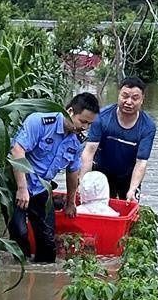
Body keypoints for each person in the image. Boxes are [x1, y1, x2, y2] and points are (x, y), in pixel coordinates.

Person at [8, 92, 100, 263]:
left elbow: (73, 171)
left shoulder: (77, 140)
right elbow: (17, 150)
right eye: (83, 121)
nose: (85, 127)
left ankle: (39, 278)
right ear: (70, 111)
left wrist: (70, 202)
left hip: (43, 188)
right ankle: (21, 268)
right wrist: (21, 188)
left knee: (48, 245)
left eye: (90, 124)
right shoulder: (40, 122)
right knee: (19, 232)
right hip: (19, 185)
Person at [80, 76, 156, 201]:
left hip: (128, 176)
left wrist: (132, 189)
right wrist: (82, 182)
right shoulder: (101, 118)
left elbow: (141, 162)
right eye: (125, 96)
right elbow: (89, 153)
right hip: (101, 173)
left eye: (135, 98)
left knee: (128, 207)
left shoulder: (148, 126)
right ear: (118, 94)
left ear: (142, 99)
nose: (129, 102)